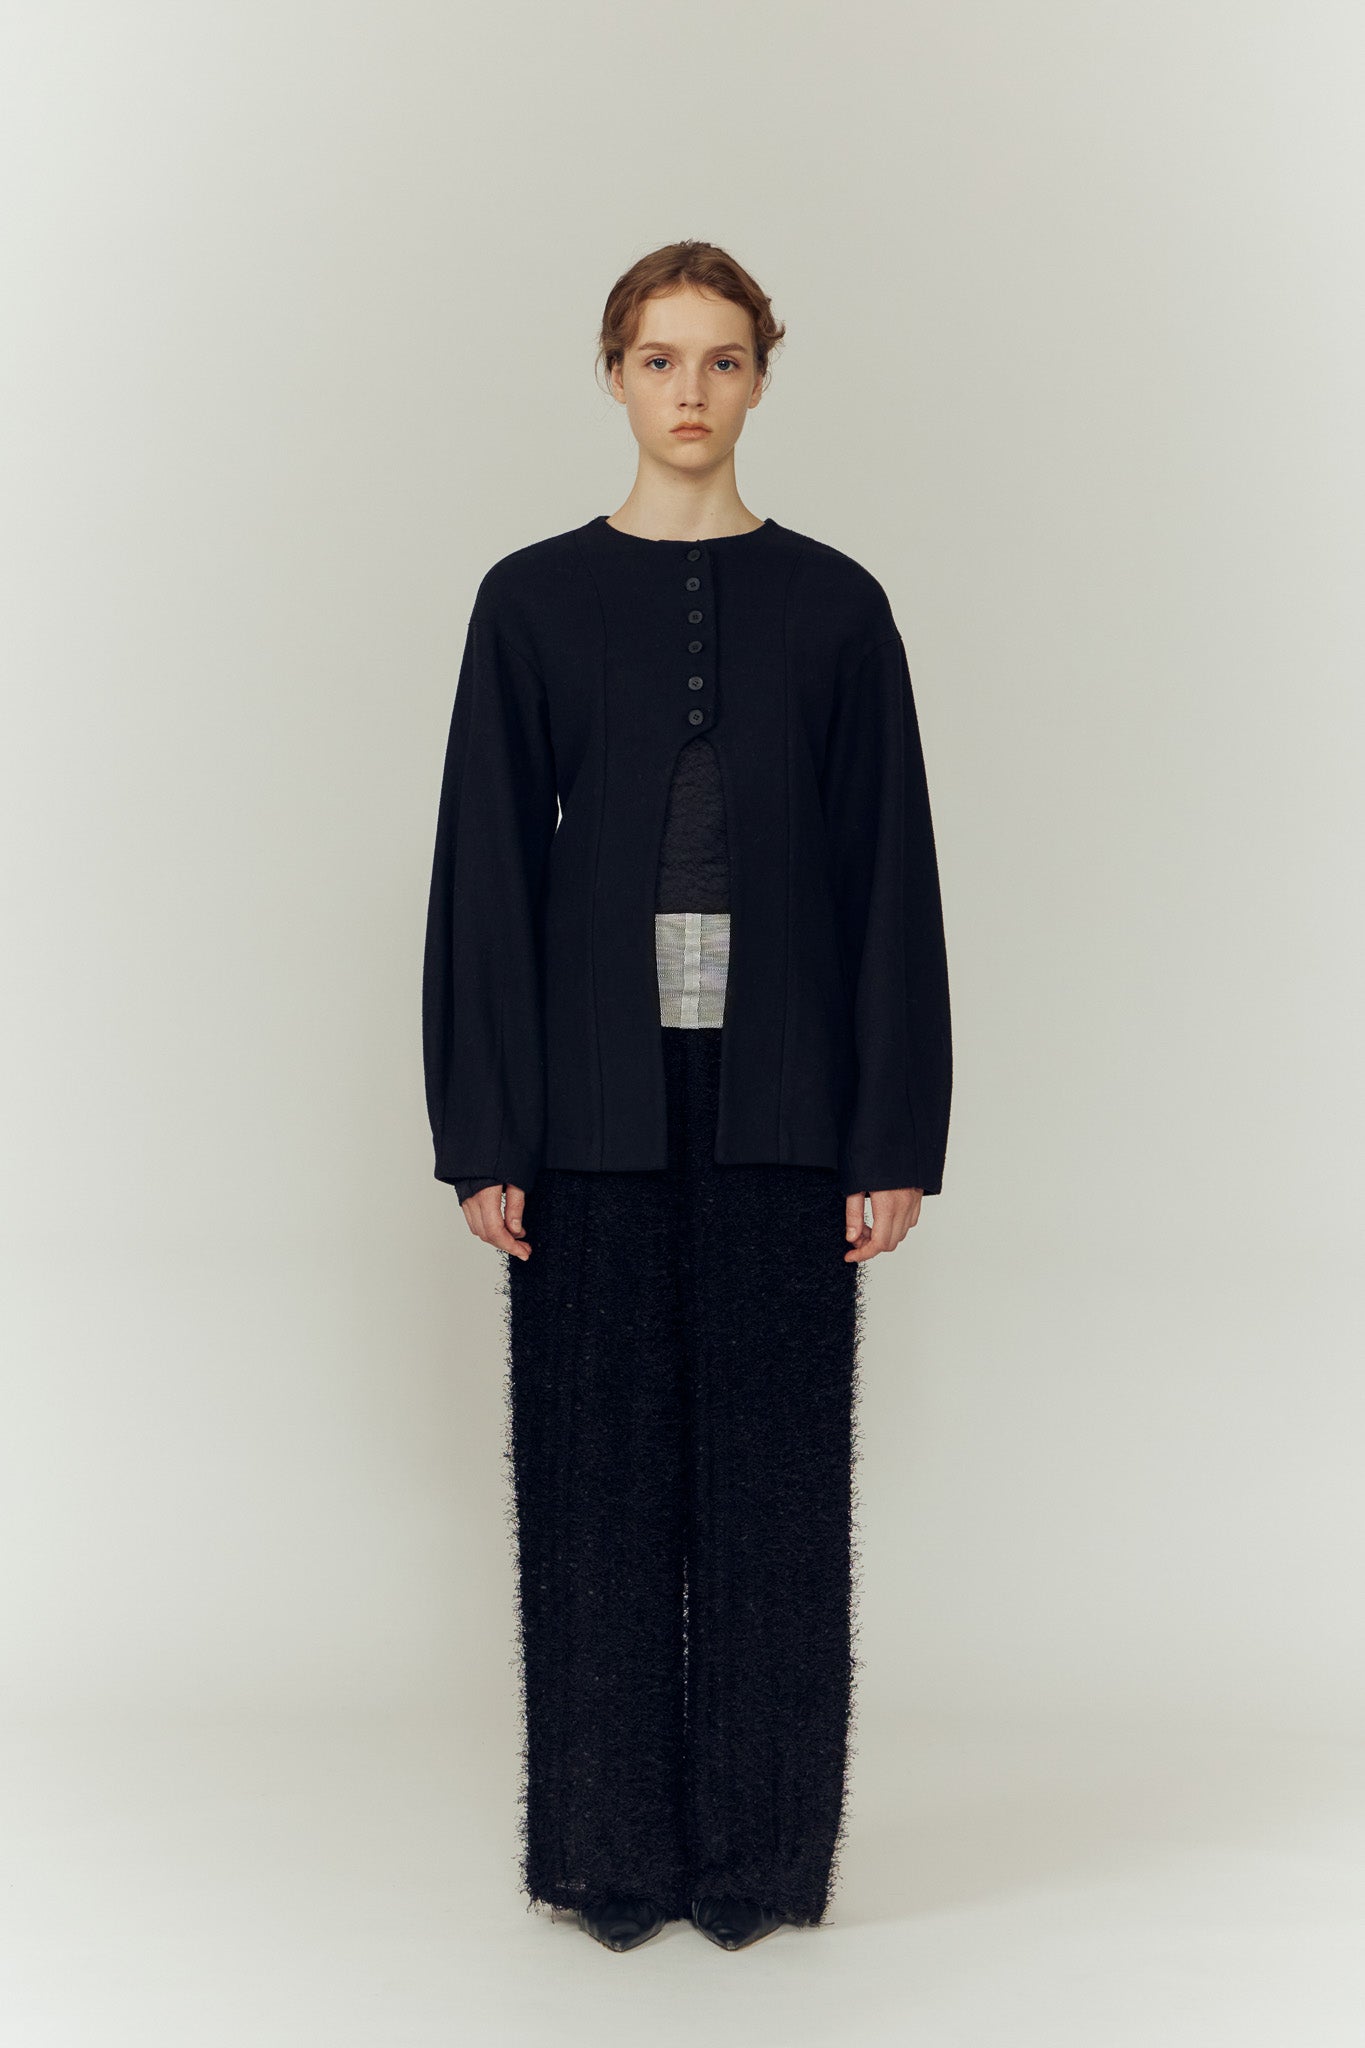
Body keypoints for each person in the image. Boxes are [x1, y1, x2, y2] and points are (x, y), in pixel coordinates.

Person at [421, 240, 952, 1952]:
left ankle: (758, 1859)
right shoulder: (529, 601)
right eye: (660, 360)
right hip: (589, 1103)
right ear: (613, 374)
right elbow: (484, 874)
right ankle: (607, 1856)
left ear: (761, 379)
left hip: (786, 1098)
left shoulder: (838, 606)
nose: (691, 393)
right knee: (595, 1489)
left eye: (722, 360)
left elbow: (888, 877)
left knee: (774, 1492)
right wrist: (484, 1134)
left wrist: (891, 1135)